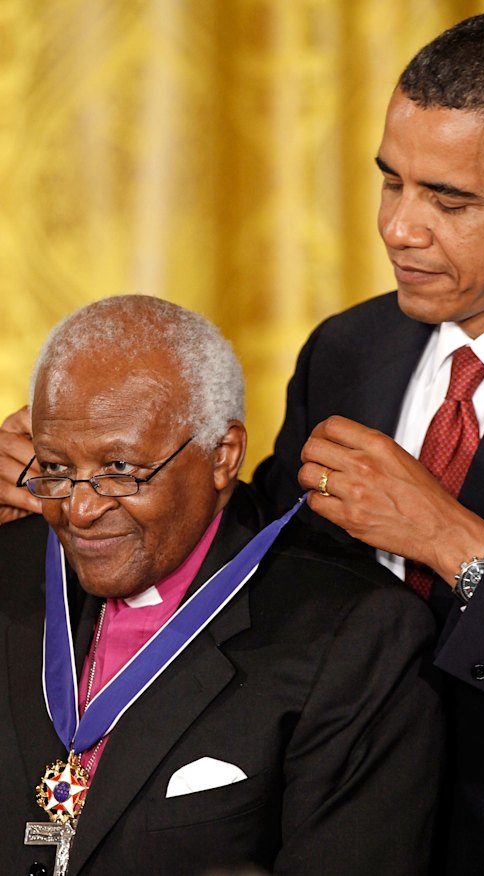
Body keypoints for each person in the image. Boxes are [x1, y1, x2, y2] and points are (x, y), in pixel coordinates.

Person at [252, 12, 484, 876]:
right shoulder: (347, 350)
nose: (399, 228)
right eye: (391, 182)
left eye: (449, 199)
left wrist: (449, 538)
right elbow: (268, 554)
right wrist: (104, 487)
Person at [0, 295, 442, 876]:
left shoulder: (356, 637)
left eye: (120, 471)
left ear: (222, 455)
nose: (79, 510)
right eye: (56, 469)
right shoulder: (10, 565)